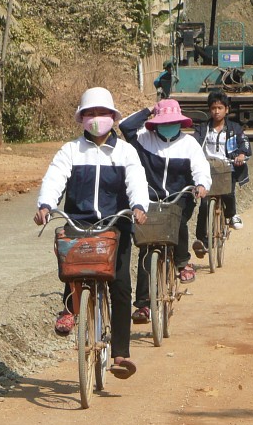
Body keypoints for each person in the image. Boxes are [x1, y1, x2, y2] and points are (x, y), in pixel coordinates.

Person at [34, 87, 149, 378]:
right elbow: (54, 177)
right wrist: (45, 205)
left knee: (121, 285)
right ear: (82, 118)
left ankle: (121, 354)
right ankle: (69, 309)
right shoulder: (71, 150)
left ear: (113, 117)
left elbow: (136, 180)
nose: (97, 118)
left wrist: (138, 206)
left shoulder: (125, 152)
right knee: (72, 267)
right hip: (79, 223)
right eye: (90, 113)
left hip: (116, 225)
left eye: (102, 113)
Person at [119, 99, 210, 323]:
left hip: (180, 198)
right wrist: (150, 110)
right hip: (149, 201)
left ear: (180, 122)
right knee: (146, 250)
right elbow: (125, 126)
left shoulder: (189, 144)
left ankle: (182, 261)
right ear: (156, 123)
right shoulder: (143, 140)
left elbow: (201, 168)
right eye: (164, 121)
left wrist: (201, 185)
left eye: (173, 121)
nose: (169, 125)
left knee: (177, 220)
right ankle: (143, 305)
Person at [191, 90, 250, 259]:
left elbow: (244, 144)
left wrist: (241, 155)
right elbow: (193, 146)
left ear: (227, 109)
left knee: (228, 194)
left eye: (220, 107)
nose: (216, 111)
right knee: (203, 205)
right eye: (213, 108)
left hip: (227, 169)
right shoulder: (202, 129)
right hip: (207, 171)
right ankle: (201, 240)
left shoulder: (234, 129)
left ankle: (231, 215)